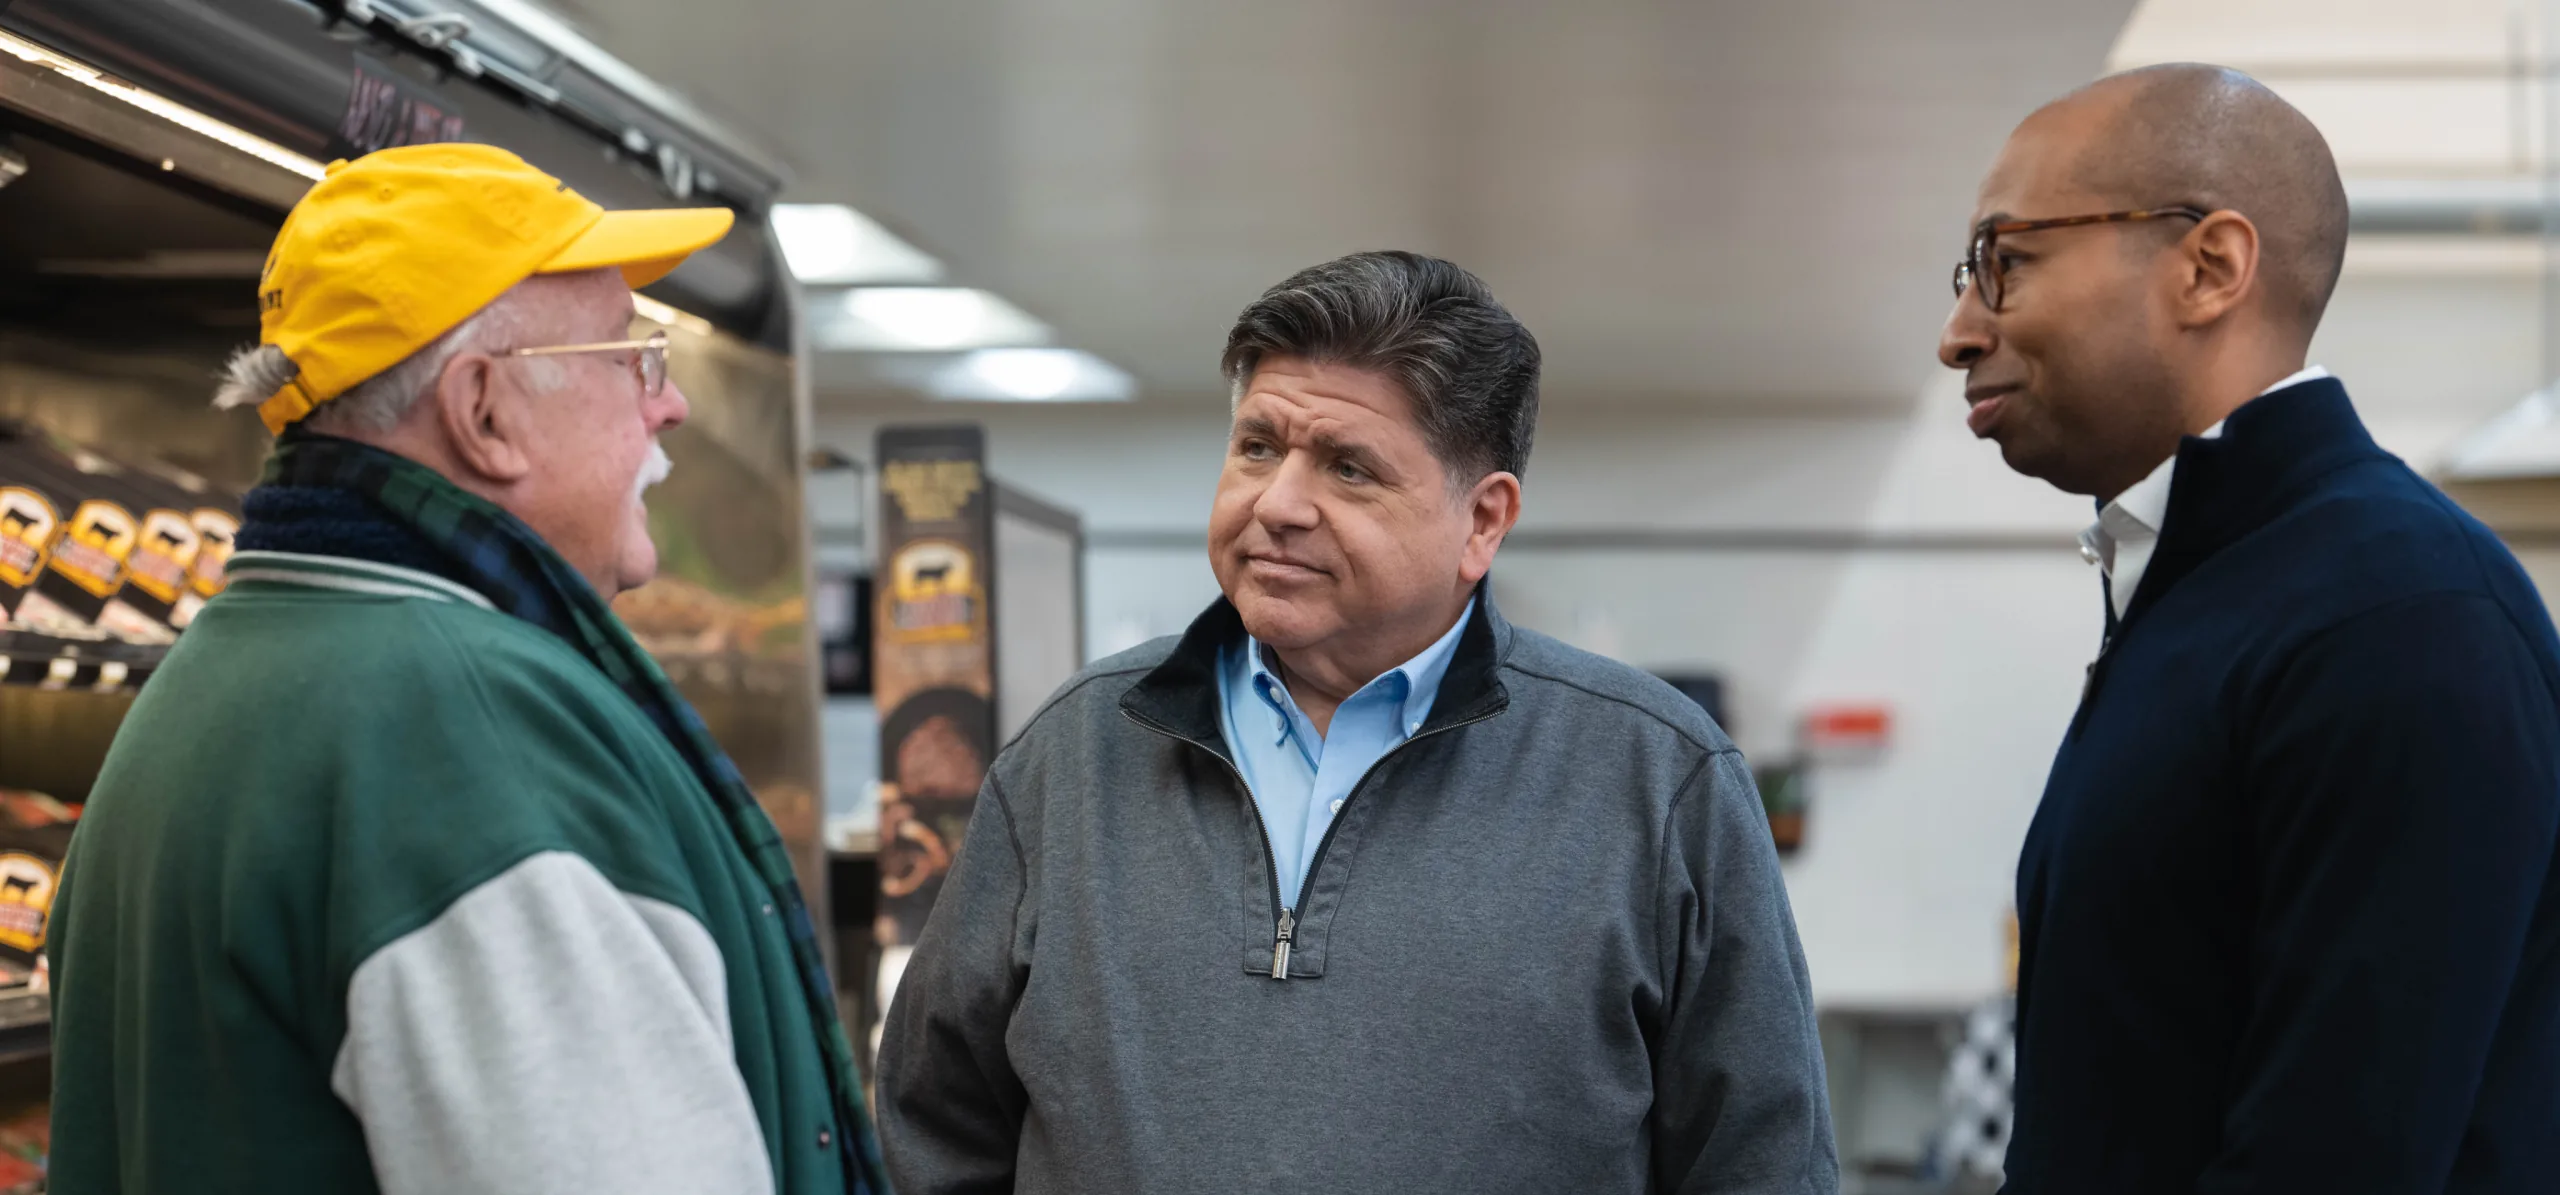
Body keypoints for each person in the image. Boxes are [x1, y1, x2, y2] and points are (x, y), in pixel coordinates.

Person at [878, 250, 1837, 1194]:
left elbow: (1763, 1161)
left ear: (1483, 523)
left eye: (1348, 468)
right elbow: (935, 1124)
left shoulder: (1657, 780)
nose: (1279, 502)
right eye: (1257, 446)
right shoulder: (1076, 750)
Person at [47, 144, 888, 1195]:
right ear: (484, 411)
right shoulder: (462, 732)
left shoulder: (215, 677)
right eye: (633, 356)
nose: (667, 406)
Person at [1940, 64, 2560, 1193]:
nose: (1959, 331)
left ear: (2209, 267)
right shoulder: (2217, 591)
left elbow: (2338, 1160)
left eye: (2006, 261)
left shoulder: (2397, 616)